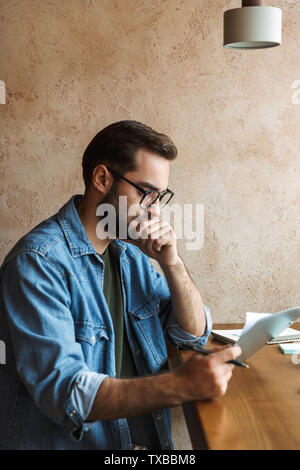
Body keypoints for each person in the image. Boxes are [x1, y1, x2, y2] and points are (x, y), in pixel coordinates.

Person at [0, 120, 241, 450]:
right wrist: (181, 385)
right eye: (146, 194)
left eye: (161, 197)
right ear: (102, 179)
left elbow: (192, 332)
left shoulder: (130, 254)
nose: (154, 211)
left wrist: (172, 263)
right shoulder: (38, 262)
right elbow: (67, 393)